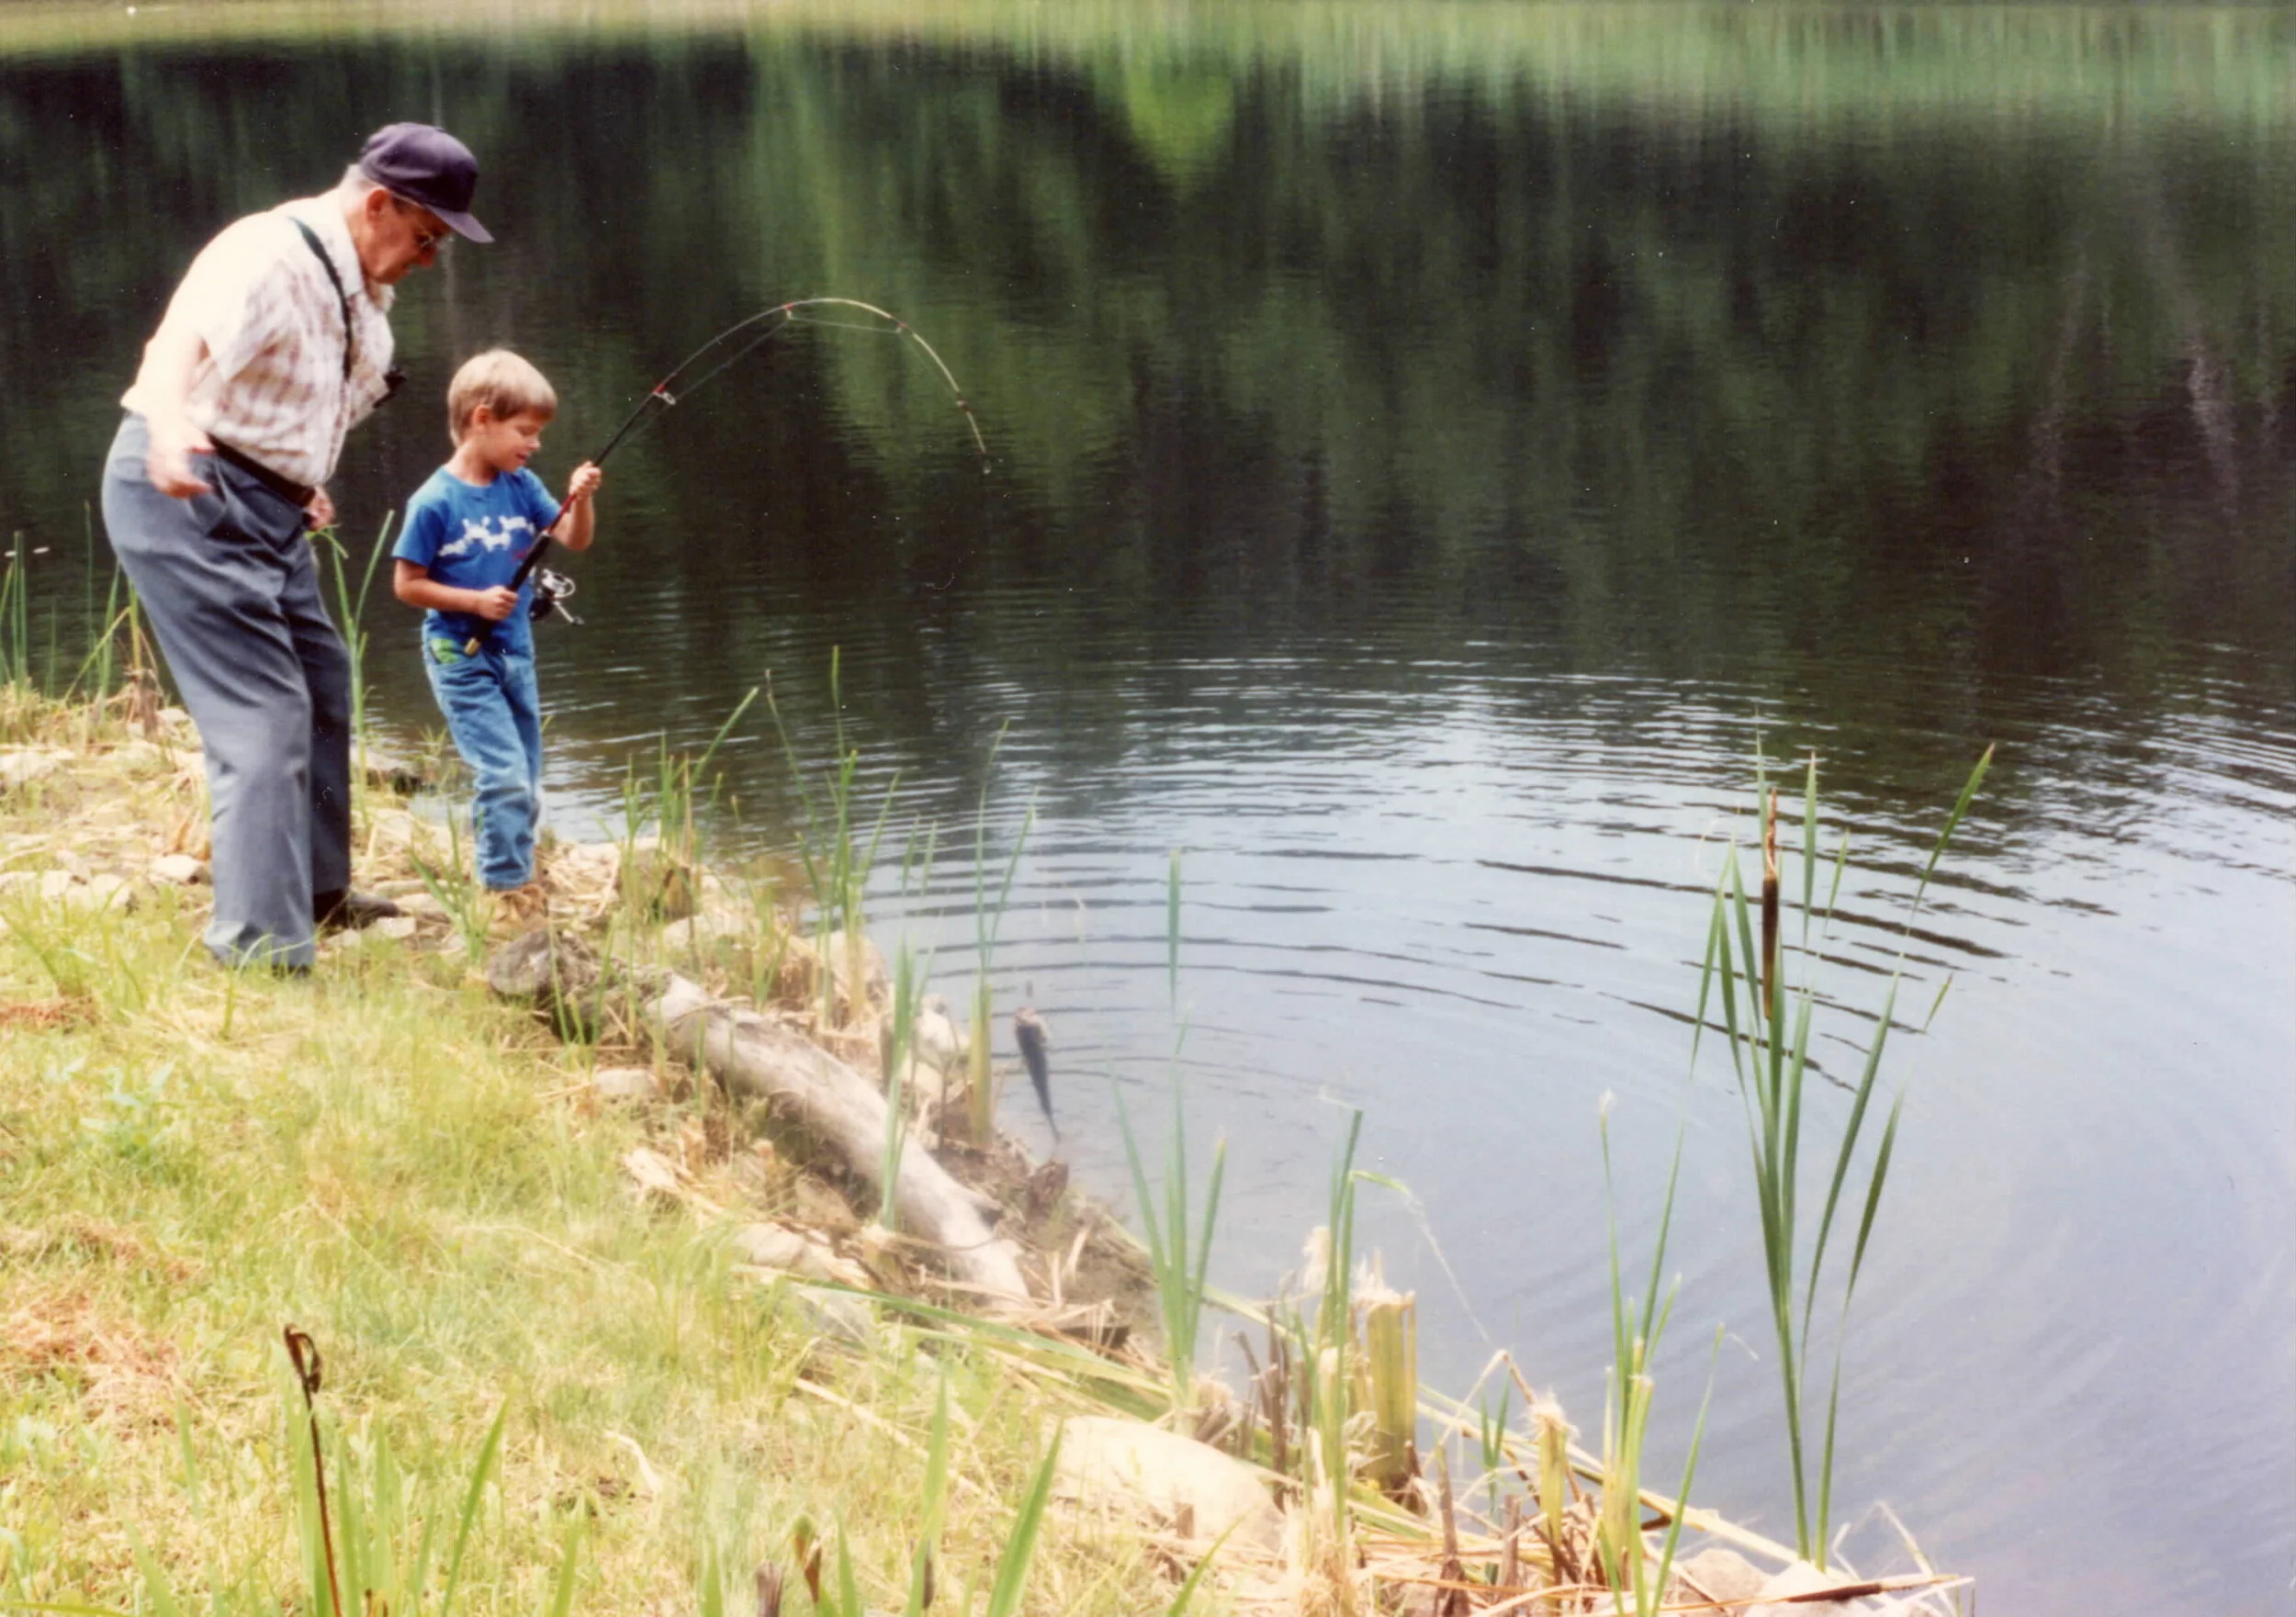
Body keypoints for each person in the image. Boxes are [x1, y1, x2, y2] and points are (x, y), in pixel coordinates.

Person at [99, 123, 492, 970]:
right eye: (426, 237)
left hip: (263, 503)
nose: (429, 260)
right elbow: (175, 346)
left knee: (320, 684)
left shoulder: (358, 288)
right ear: (379, 204)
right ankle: (258, 946)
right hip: (187, 488)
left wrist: (299, 480)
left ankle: (316, 892)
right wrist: (167, 426)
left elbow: (301, 397)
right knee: (262, 712)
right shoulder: (268, 254)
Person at [390, 351, 601, 924]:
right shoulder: (434, 501)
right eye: (525, 431)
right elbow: (407, 586)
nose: (534, 444)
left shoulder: (521, 485)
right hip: (458, 654)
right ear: (481, 419)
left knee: (526, 772)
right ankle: (503, 891)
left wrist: (580, 498)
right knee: (502, 773)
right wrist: (474, 602)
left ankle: (519, 866)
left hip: (513, 650)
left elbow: (574, 538)